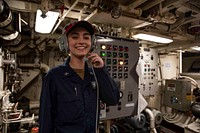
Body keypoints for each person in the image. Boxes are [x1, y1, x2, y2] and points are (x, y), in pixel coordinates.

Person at [39, 20, 120, 133]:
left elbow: (113, 99)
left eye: (86, 37)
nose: (81, 41)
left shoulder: (94, 76)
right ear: (66, 43)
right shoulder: (54, 76)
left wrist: (101, 70)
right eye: (75, 37)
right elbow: (45, 119)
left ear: (92, 43)